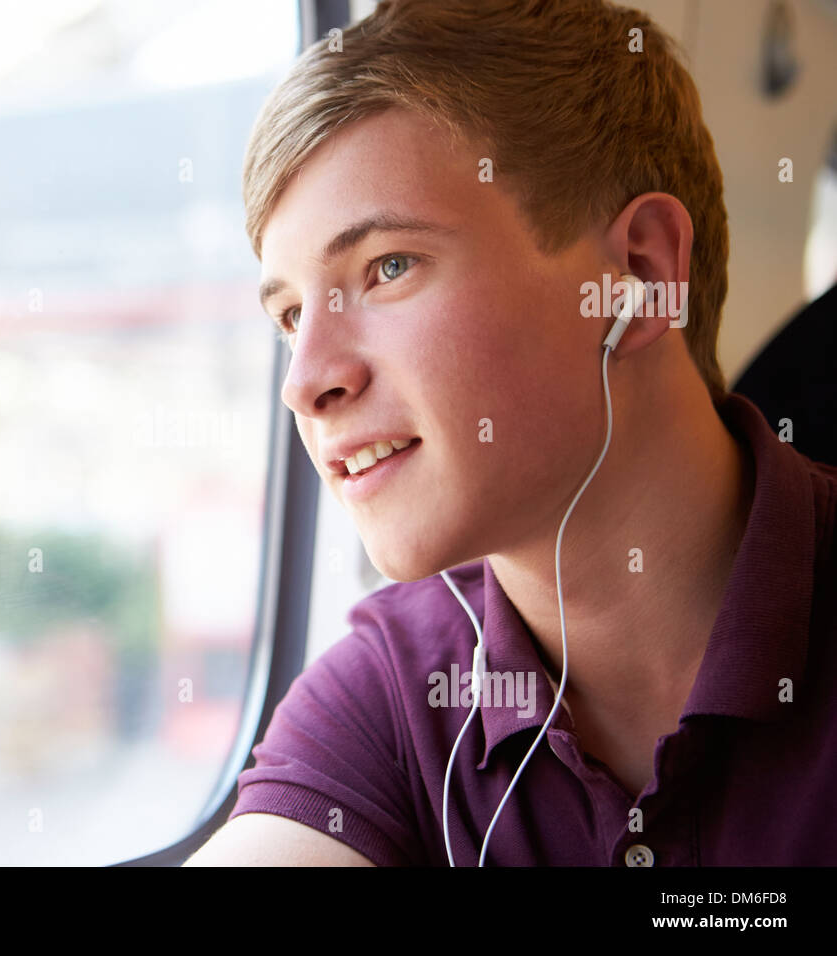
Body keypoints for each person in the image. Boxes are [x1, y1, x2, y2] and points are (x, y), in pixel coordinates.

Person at [184, 0, 837, 866]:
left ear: (639, 276)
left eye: (387, 267)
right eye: (293, 315)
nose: (306, 383)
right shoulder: (387, 699)